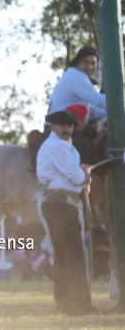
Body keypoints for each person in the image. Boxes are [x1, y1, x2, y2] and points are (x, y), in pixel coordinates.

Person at [36, 109, 97, 316]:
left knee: (64, 256)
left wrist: (81, 172)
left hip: (63, 204)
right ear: (53, 127)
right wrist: (85, 175)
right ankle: (81, 305)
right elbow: (74, 176)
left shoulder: (67, 147)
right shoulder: (56, 146)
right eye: (62, 126)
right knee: (74, 255)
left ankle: (66, 303)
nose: (66, 129)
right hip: (60, 205)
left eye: (70, 126)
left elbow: (73, 172)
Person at [48, 46, 106, 122]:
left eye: (93, 63)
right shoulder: (76, 76)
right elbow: (98, 100)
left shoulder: (76, 75)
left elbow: (91, 111)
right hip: (61, 128)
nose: (90, 66)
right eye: (86, 62)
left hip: (64, 125)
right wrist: (121, 102)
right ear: (77, 62)